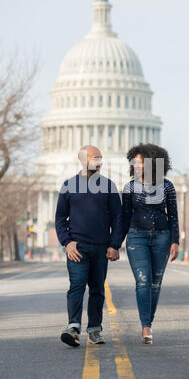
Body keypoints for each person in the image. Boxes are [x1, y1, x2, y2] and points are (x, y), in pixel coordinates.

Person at [55, 145, 124, 347]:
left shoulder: (109, 186)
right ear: (84, 160)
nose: (99, 161)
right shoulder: (68, 185)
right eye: (95, 158)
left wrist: (115, 244)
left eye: (101, 158)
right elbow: (60, 218)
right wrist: (67, 242)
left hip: (101, 247)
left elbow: (118, 218)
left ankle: (95, 329)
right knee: (76, 286)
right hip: (78, 248)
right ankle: (73, 327)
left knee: (97, 290)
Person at [122, 143, 179, 345]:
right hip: (137, 237)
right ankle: (145, 326)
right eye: (134, 162)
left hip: (162, 237)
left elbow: (173, 215)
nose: (136, 165)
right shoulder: (130, 187)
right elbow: (124, 217)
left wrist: (175, 241)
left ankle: (149, 323)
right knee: (143, 281)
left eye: (140, 162)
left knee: (155, 284)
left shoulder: (167, 186)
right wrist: (114, 244)